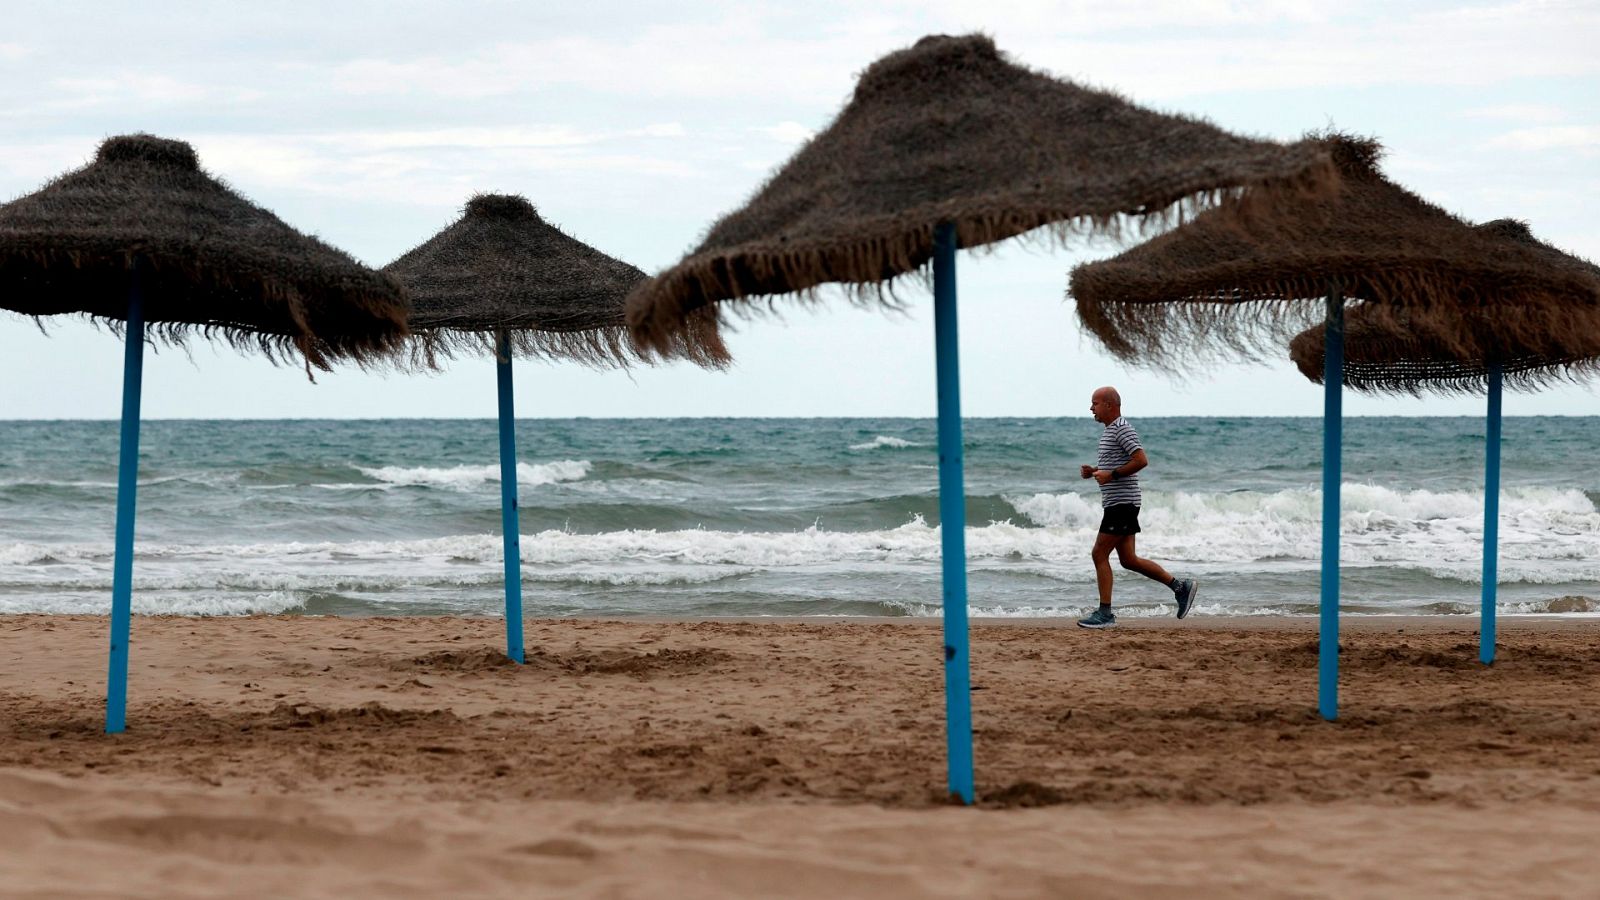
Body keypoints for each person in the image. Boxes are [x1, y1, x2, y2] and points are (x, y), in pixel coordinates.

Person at [1076, 386, 1197, 629]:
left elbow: (1141, 460)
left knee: (1099, 554)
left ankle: (1105, 614)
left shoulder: (1122, 428)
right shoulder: (1111, 431)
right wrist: (1096, 472)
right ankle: (1180, 587)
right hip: (1120, 502)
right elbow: (1115, 467)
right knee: (1129, 560)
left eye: (1095, 403)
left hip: (1122, 503)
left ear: (1110, 405)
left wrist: (1112, 475)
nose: (1091, 408)